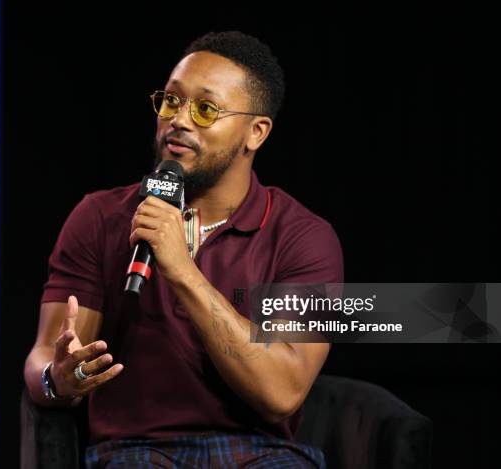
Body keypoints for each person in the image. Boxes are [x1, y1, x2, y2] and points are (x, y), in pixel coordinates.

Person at [24, 31, 343, 468]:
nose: (179, 119)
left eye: (206, 109)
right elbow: (44, 356)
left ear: (255, 132)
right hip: (134, 452)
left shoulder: (301, 236)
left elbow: (280, 393)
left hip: (261, 454)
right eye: (171, 101)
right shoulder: (100, 217)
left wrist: (183, 270)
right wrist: (57, 379)